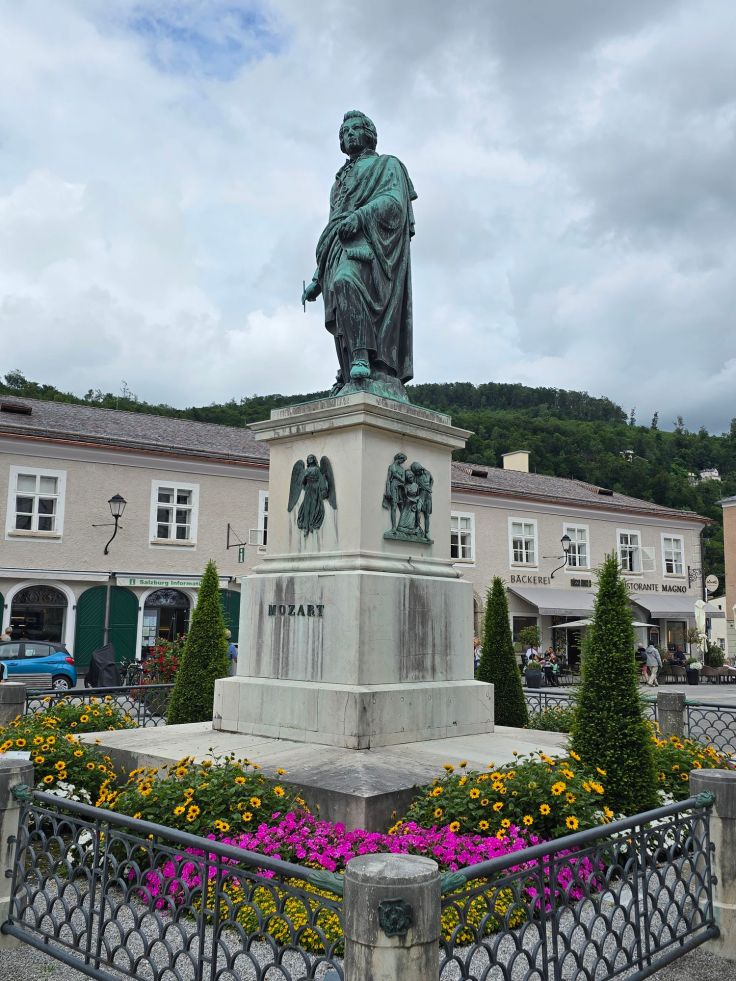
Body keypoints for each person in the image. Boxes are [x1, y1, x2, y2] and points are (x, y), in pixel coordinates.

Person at [302, 110, 417, 395]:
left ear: (369, 134)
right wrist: (317, 276)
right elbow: (334, 224)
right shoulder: (337, 182)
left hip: (371, 247)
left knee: (346, 281)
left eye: (354, 129)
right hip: (337, 246)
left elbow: (394, 203)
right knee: (342, 307)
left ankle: (362, 357)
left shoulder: (387, 165)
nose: (349, 134)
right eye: (344, 132)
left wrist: (362, 216)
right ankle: (350, 370)